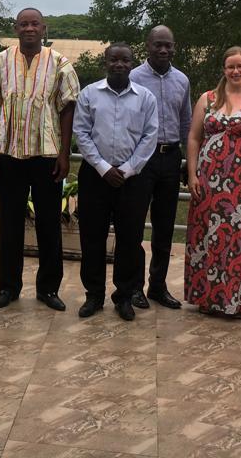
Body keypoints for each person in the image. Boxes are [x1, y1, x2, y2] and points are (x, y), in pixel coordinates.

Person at [0, 7, 80, 311]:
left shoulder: (60, 62)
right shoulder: (1, 61)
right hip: (10, 153)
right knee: (10, 224)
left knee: (49, 223)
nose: (29, 28)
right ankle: (8, 287)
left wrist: (64, 153)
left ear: (44, 28)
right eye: (24, 24)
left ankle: (48, 288)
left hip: (47, 154)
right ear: (16, 28)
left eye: (35, 23)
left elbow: (68, 108)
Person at [185, 46, 241, 317]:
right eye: (230, 66)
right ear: (223, 69)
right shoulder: (207, 99)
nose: (235, 71)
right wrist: (192, 174)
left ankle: (239, 301)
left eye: (240, 66)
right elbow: (193, 138)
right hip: (209, 181)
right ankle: (209, 298)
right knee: (208, 237)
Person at [73, 43, 159, 321]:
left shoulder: (145, 98)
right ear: (106, 62)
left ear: (132, 64)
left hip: (132, 180)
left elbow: (150, 136)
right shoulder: (89, 94)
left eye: (125, 60)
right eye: (114, 60)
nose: (119, 64)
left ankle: (124, 296)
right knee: (92, 237)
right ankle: (94, 295)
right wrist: (102, 167)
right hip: (95, 177)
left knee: (130, 239)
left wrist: (128, 169)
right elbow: (81, 133)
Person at [128, 25, 191, 310]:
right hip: (142, 157)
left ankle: (158, 286)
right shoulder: (133, 77)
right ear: (148, 46)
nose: (163, 50)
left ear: (174, 47)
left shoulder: (182, 80)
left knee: (164, 227)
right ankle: (134, 287)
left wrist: (189, 160)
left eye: (168, 45)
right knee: (136, 225)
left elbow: (187, 123)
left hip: (171, 156)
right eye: (158, 45)